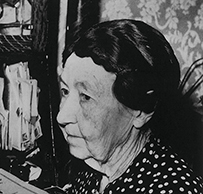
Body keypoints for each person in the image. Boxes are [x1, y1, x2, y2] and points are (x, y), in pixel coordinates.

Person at [56, 19, 203, 193]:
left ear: (139, 111)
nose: (62, 117)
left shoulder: (174, 189)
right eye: (65, 91)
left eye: (86, 97)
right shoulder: (90, 167)